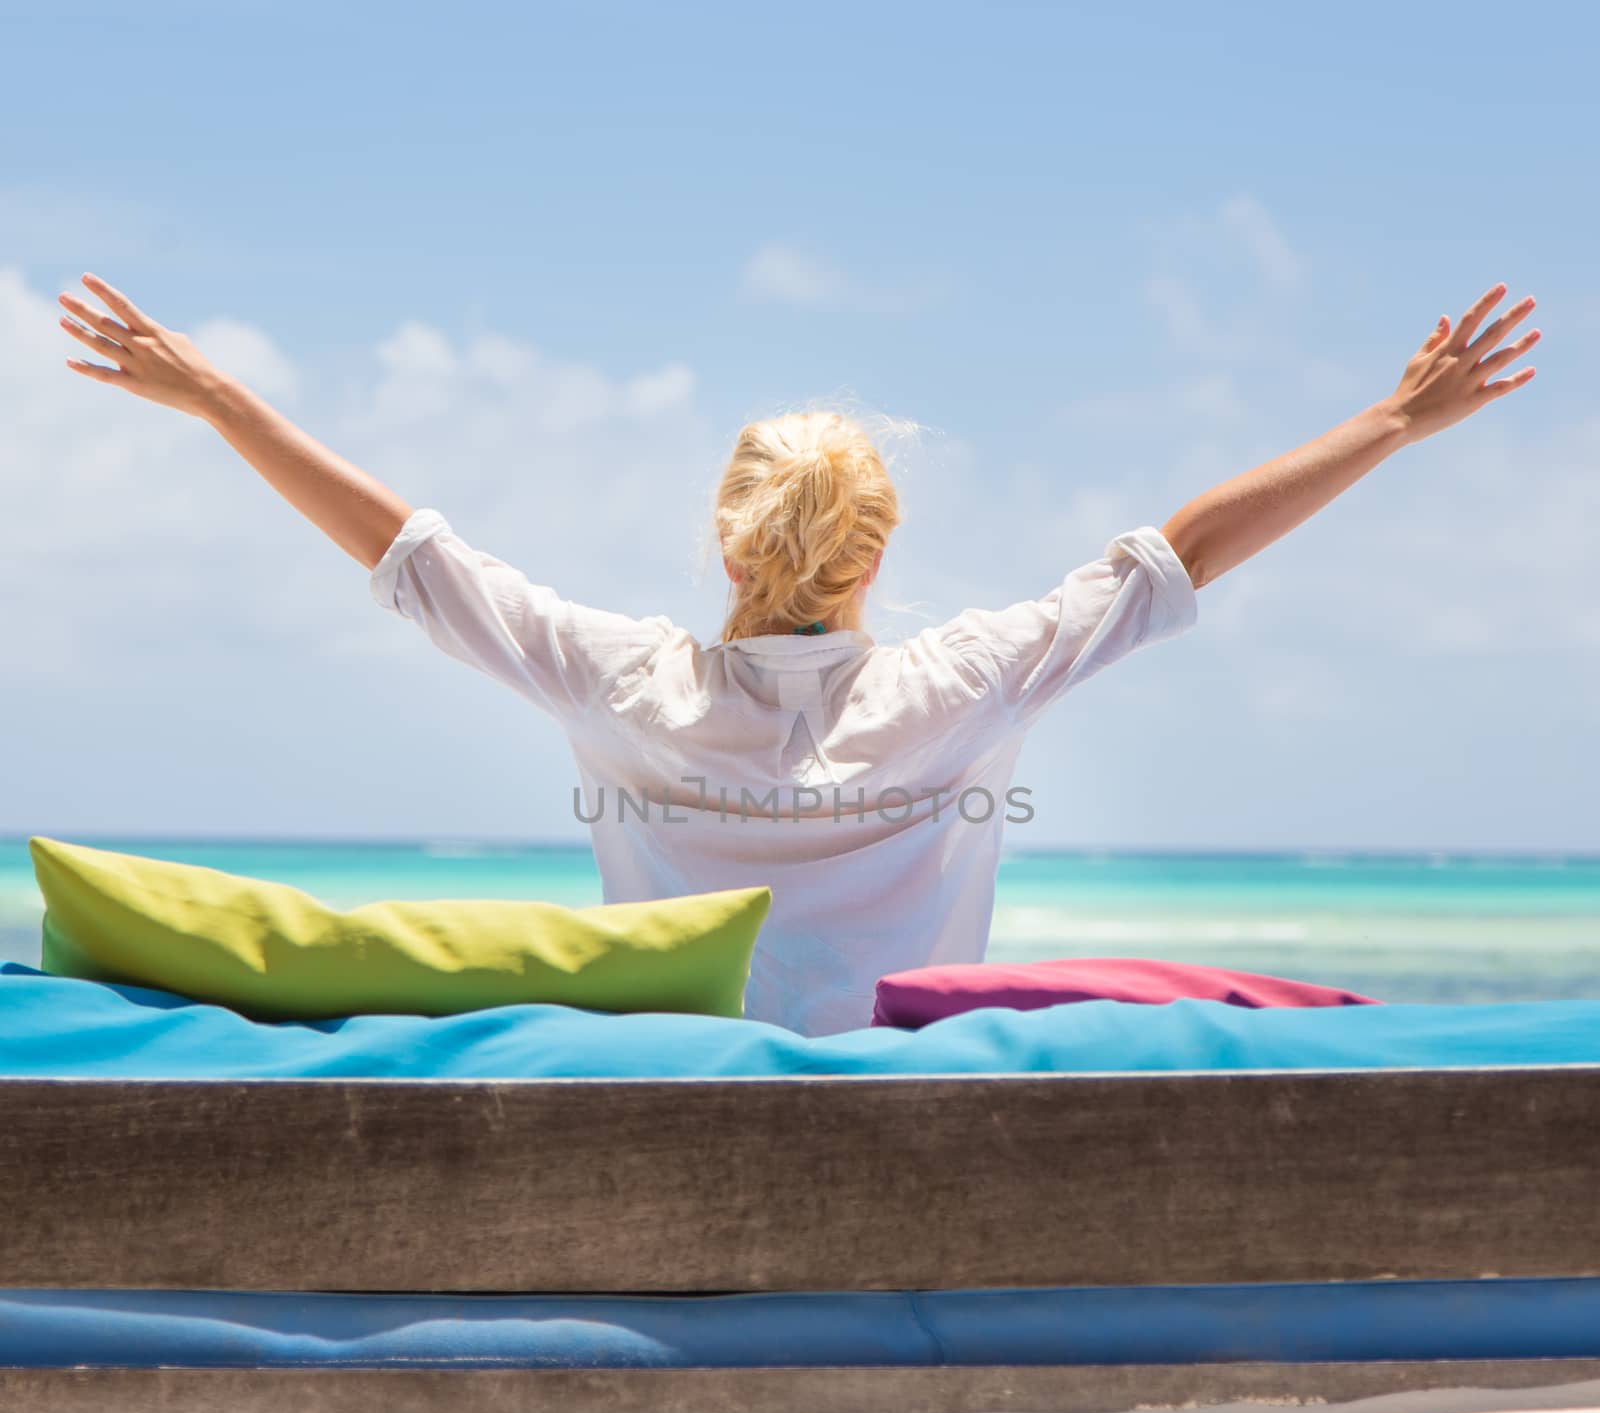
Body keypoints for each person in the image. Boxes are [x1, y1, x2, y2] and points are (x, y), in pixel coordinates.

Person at [57, 274, 1539, 1033]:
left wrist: (219, 399)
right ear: (875, 553)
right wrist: (1394, 421)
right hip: (902, 1110)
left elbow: (406, 554)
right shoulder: (964, 684)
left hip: (685, 1103)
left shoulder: (624, 684)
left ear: (727, 542)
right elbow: (1180, 552)